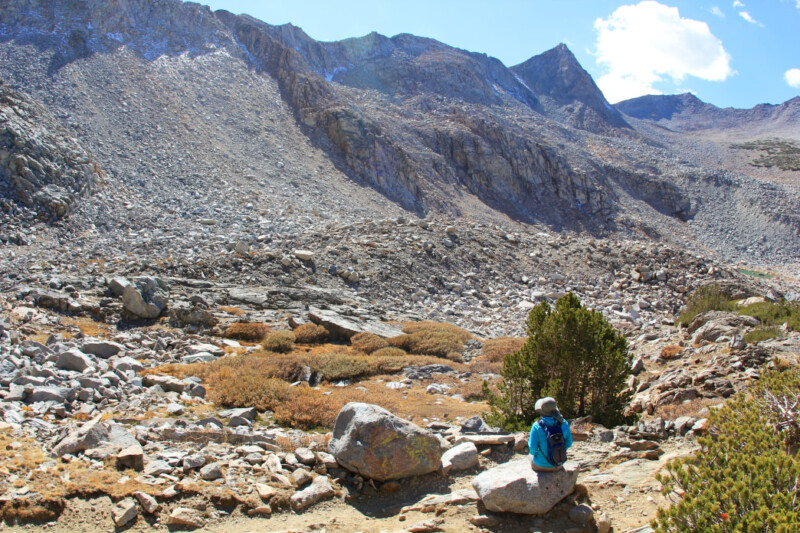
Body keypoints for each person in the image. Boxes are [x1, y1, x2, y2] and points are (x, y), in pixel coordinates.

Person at [529, 397, 573, 471]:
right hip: (558, 464)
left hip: (540, 466)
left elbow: (533, 449)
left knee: (530, 456)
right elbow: (569, 442)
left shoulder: (536, 426)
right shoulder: (564, 423)